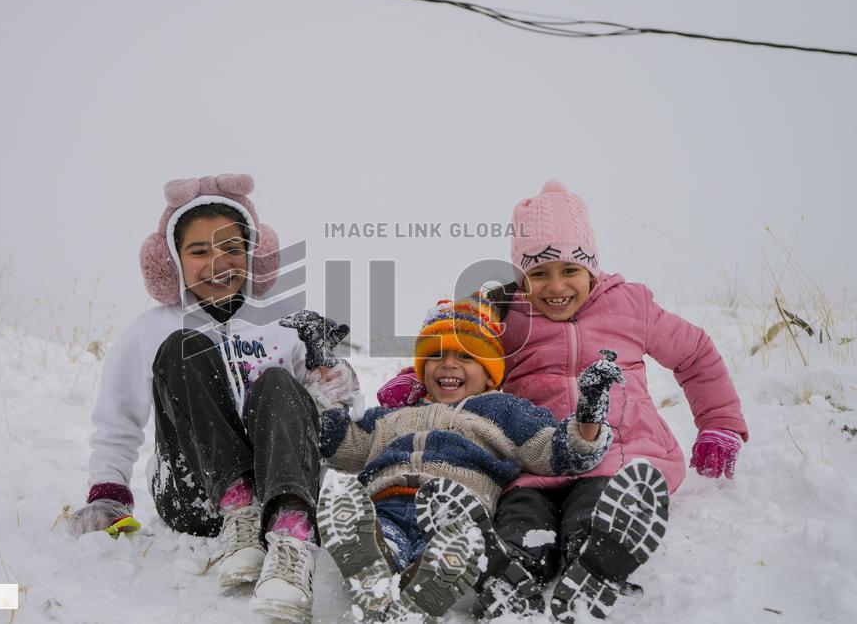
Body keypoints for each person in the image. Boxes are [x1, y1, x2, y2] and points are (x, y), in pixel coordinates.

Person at [377, 180, 749, 622]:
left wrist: (719, 423)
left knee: (597, 508)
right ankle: (510, 572)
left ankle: (594, 559)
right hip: (534, 461)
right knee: (521, 515)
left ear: (592, 267)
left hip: (615, 455)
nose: (556, 286)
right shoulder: (503, 312)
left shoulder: (631, 306)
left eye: (570, 270)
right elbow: (453, 347)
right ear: (521, 275)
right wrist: (414, 380)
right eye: (538, 273)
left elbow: (695, 354)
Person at [67, 174, 359, 624]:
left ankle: (290, 534)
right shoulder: (151, 331)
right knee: (185, 348)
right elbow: (118, 422)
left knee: (280, 383)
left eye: (230, 249)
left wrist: (335, 383)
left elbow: (335, 415)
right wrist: (109, 494)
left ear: (253, 255)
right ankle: (235, 511)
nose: (217, 262)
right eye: (199, 251)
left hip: (280, 488)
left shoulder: (285, 322)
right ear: (173, 262)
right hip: (194, 494)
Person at [317, 295, 616, 621]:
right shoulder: (393, 415)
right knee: (385, 536)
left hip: (454, 509)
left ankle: (428, 578)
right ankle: (379, 568)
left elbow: (555, 451)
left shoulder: (505, 411)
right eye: (437, 355)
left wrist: (589, 414)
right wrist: (327, 391)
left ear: (490, 374)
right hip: (386, 501)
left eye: (465, 355)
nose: (448, 363)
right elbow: (342, 446)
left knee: (449, 546)